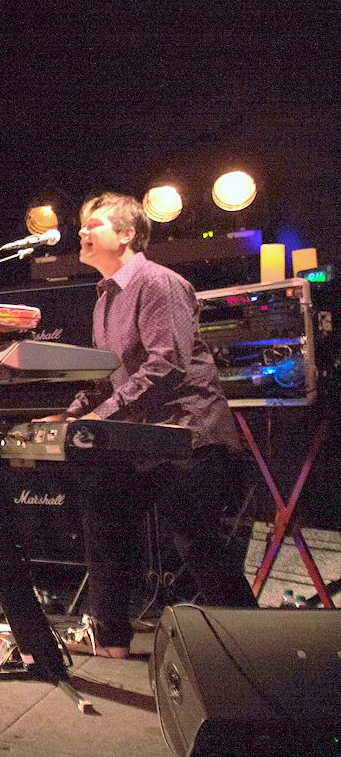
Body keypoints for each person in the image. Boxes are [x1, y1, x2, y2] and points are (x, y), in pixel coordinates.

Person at [43, 192, 256, 658]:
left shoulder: (159, 283)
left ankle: (255, 649)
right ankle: (111, 639)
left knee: (195, 541)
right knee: (104, 517)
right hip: (138, 438)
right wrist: (70, 414)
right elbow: (108, 377)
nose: (82, 232)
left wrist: (100, 415)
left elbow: (166, 365)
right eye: (82, 225)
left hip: (188, 434)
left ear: (126, 234)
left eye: (95, 224)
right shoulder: (103, 298)